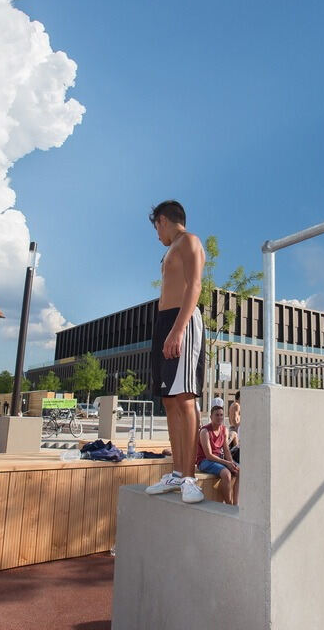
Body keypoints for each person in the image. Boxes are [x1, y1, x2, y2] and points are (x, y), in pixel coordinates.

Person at [144, 200, 206, 504]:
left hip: (183, 319)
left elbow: (195, 285)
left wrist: (179, 329)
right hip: (165, 320)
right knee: (169, 400)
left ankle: (191, 478)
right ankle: (178, 473)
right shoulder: (170, 250)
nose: (157, 235)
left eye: (156, 227)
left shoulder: (189, 241)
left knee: (184, 399)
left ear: (164, 220)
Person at [196, 400, 239, 505]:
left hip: (218, 460)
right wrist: (227, 463)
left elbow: (226, 450)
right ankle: (229, 505)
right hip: (204, 461)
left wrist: (231, 462)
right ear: (211, 417)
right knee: (226, 474)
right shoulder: (204, 431)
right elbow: (209, 455)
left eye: (221, 415)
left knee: (239, 471)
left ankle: (236, 504)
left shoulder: (224, 430)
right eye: (217, 415)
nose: (219, 417)